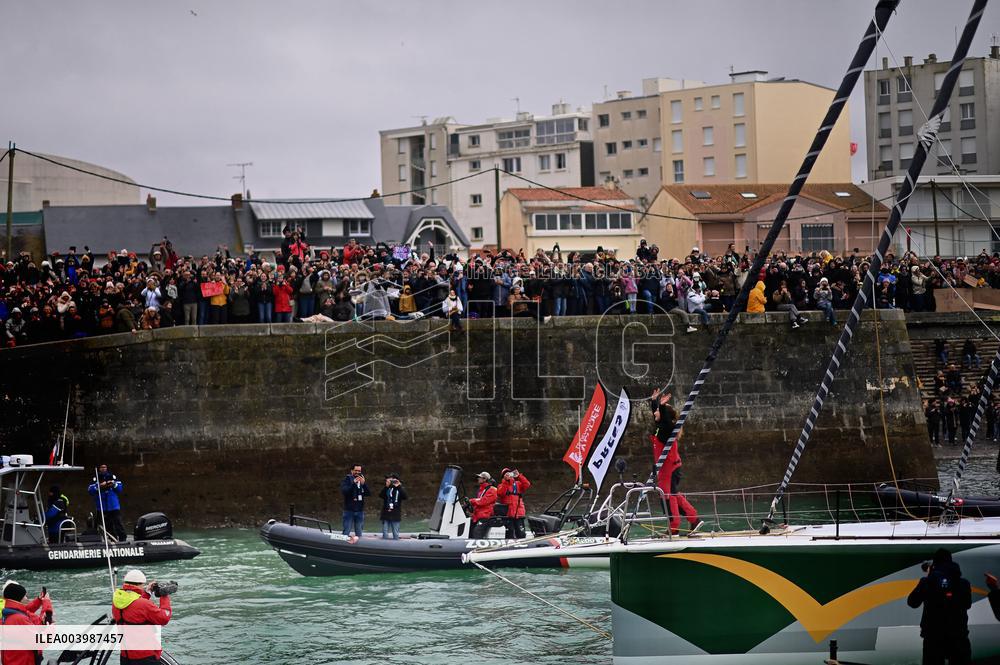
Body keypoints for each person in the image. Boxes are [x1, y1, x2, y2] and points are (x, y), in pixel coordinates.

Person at [649, 390, 703, 536]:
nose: (655, 414)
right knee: (672, 495)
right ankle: (694, 519)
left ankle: (674, 528)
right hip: (666, 469)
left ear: (664, 415)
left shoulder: (667, 429)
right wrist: (655, 402)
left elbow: (664, 420)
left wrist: (661, 406)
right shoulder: (662, 426)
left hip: (669, 469)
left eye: (658, 412)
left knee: (668, 497)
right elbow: (658, 415)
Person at [907, 548, 971, 665]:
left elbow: (912, 602)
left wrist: (929, 577)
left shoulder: (927, 582)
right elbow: (967, 604)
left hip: (933, 638)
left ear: (935, 563)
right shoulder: (964, 583)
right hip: (959, 637)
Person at [111, 569, 173, 664]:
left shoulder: (117, 602)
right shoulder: (143, 605)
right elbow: (164, 618)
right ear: (139, 585)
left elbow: (133, 608)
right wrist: (164, 595)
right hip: (145, 658)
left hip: (125, 657)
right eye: (143, 585)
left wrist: (147, 593)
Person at [1, 581, 47, 665]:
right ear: (19, 597)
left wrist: (39, 600)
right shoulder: (20, 619)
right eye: (25, 595)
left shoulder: (6, 614)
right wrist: (50, 629)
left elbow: (24, 610)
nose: (27, 598)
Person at [88, 464, 126, 541]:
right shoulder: (96, 478)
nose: (103, 469)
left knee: (118, 523)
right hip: (102, 506)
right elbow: (90, 490)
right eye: (101, 467)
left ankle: (122, 538)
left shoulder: (112, 476)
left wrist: (113, 484)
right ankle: (111, 538)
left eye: (105, 467)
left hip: (113, 506)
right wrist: (99, 486)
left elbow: (119, 488)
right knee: (105, 525)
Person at [496, 468, 530, 539]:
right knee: (509, 534)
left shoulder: (518, 484)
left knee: (521, 534)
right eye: (505, 474)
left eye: (509, 473)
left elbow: (527, 484)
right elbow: (500, 493)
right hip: (508, 514)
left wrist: (519, 476)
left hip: (519, 513)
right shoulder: (501, 485)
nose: (508, 474)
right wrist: (505, 482)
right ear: (503, 476)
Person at [340, 464, 370, 537]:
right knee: (346, 531)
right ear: (352, 471)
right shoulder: (347, 479)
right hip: (349, 510)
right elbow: (344, 491)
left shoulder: (362, 479)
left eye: (359, 471)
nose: (357, 472)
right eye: (356, 470)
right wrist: (353, 483)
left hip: (359, 511)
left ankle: (359, 547)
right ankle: (343, 546)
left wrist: (364, 484)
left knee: (359, 532)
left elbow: (368, 493)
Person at [468, 471, 497, 539]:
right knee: (470, 531)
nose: (478, 479)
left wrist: (472, 501)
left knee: (476, 532)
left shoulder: (492, 490)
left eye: (479, 477)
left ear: (485, 479)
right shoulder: (482, 490)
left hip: (485, 516)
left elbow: (483, 501)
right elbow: (479, 502)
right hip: (478, 515)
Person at [378, 473, 407, 540]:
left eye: (393, 480)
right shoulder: (387, 488)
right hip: (386, 513)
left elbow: (405, 497)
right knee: (385, 532)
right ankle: (384, 544)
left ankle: (396, 544)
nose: (392, 482)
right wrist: (386, 486)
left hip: (395, 514)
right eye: (391, 480)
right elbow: (381, 495)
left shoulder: (399, 489)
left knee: (395, 533)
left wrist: (399, 486)